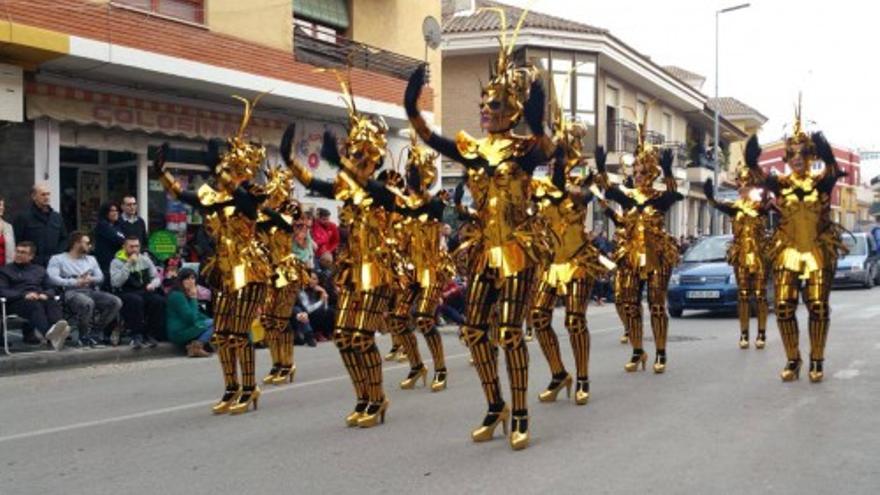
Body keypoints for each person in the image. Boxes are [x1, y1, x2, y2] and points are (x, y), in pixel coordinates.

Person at [404, 9, 553, 448]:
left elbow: (548, 146)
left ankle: (522, 413)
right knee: (472, 332)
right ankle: (495, 406)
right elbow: (433, 140)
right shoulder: (474, 149)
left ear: (515, 110)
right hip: (485, 251)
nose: (486, 109)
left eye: (496, 104)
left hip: (518, 251)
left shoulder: (525, 150)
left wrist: (540, 113)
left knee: (508, 333)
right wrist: (412, 107)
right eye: (484, 104)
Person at [282, 79, 396, 429]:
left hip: (377, 274)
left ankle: (377, 398)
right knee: (345, 338)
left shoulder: (385, 189)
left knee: (361, 337)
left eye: (361, 155)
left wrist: (341, 165)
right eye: (352, 153)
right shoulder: (347, 186)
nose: (355, 158)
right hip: (350, 273)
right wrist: (289, 158)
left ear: (373, 157)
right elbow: (314, 183)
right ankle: (363, 397)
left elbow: (377, 193)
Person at [155, 97, 274, 415]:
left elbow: (248, 208)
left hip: (249, 270)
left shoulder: (253, 193)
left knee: (239, 331)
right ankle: (231, 387)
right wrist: (161, 173)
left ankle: (250, 387)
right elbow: (184, 194)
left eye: (234, 166)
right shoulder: (214, 195)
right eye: (227, 165)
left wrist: (222, 175)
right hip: (223, 269)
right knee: (223, 333)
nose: (231, 170)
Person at [754, 105, 845, 383]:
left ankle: (817, 359)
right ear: (786, 157)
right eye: (792, 154)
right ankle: (793, 359)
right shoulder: (779, 184)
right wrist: (750, 160)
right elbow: (759, 178)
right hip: (787, 250)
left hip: (817, 250)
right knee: (783, 306)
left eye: (802, 153)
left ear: (810, 156)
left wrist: (828, 153)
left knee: (818, 306)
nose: (796, 158)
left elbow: (833, 171)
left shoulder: (821, 182)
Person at [530, 110, 614, 407]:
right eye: (554, 155)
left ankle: (582, 377)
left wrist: (561, 183)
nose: (556, 159)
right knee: (538, 317)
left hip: (578, 260)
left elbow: (585, 196)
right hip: (551, 263)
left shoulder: (583, 180)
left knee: (574, 319)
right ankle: (558, 373)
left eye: (562, 154)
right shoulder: (540, 186)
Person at [595, 115, 684, 375]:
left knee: (657, 304)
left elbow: (673, 193)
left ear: (652, 173)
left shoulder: (660, 197)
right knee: (631, 304)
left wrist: (668, 173)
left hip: (657, 255)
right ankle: (637, 351)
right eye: (637, 172)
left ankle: (660, 352)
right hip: (632, 256)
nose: (641, 176)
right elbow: (606, 188)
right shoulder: (627, 196)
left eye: (646, 172)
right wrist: (601, 168)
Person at [705, 140, 772, 350]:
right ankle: (744, 334)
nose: (743, 189)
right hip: (741, 254)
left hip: (759, 254)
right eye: (741, 185)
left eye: (747, 185)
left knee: (760, 295)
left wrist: (756, 170)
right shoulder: (735, 207)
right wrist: (709, 196)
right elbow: (719, 205)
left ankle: (761, 333)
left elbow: (768, 195)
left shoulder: (761, 206)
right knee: (743, 295)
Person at [257, 164, 308, 386]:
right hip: (268, 269)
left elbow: (283, 222)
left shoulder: (291, 207)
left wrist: (263, 207)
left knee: (280, 320)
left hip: (287, 271)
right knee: (268, 321)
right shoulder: (264, 210)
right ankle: (276, 363)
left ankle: (288, 364)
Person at [47, 232, 122, 348]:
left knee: (115, 302)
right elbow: (52, 278)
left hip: (90, 290)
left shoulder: (91, 259)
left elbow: (100, 277)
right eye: (87, 243)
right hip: (70, 292)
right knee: (87, 303)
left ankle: (95, 333)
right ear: (76, 243)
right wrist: (75, 281)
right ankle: (83, 336)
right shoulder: (58, 259)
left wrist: (89, 279)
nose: (90, 246)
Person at [0, 241, 70, 349]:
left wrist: (45, 294)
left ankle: (55, 333)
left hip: (39, 297)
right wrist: (24, 295)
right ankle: (52, 336)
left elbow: (52, 288)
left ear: (31, 256)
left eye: (23, 252)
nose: (18, 254)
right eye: (17, 251)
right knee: (35, 305)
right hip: (16, 302)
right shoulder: (5, 271)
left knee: (51, 302)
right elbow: (3, 290)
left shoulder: (39, 270)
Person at [110, 235, 166, 349]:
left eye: (137, 246)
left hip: (143, 289)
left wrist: (153, 284)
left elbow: (156, 277)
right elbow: (116, 283)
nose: (135, 249)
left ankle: (150, 334)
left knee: (158, 301)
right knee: (136, 301)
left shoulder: (145, 259)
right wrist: (128, 264)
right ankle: (136, 334)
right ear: (124, 247)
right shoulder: (116, 261)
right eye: (131, 247)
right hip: (125, 290)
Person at [13, 182, 67, 267]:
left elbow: (64, 239)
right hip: (31, 265)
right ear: (34, 196)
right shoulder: (23, 217)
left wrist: (57, 256)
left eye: (48, 194)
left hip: (53, 264)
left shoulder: (57, 217)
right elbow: (17, 241)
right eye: (43, 194)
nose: (46, 197)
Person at [165, 268, 212, 357]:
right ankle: (196, 347)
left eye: (193, 278)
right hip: (179, 332)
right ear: (181, 281)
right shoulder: (177, 295)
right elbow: (190, 318)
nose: (191, 281)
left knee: (214, 322)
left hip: (188, 327)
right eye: (187, 279)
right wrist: (194, 298)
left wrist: (208, 320)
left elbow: (197, 314)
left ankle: (196, 346)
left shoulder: (186, 293)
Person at [293, 270, 330, 347]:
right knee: (299, 311)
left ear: (318, 281)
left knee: (330, 311)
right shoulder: (301, 290)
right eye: (310, 278)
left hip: (309, 316)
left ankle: (321, 333)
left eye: (314, 279)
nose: (311, 280)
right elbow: (308, 309)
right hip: (296, 316)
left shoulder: (317, 290)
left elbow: (326, 309)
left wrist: (324, 294)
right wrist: (321, 301)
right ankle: (309, 335)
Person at [94, 202, 126, 286]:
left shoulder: (118, 225)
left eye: (116, 210)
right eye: (112, 211)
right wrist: (123, 240)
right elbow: (117, 238)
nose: (115, 213)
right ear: (106, 212)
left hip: (117, 260)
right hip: (106, 261)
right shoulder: (102, 225)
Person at [1, 195, 14, 266]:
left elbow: (11, 253)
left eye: (2, 205)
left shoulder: (8, 227)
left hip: (5, 271)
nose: (2, 208)